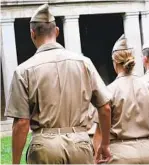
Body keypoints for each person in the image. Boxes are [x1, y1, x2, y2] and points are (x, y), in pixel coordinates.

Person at [5, 4, 112, 164]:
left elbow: (21, 122)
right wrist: (104, 144)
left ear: (32, 34)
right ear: (56, 31)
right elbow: (105, 107)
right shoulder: (84, 63)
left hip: (45, 147)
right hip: (80, 144)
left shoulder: (23, 70)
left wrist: (15, 162)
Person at [93, 35, 149, 164]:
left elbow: (99, 132)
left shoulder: (108, 91)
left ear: (114, 62)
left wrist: (97, 155)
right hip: (148, 152)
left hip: (120, 154)